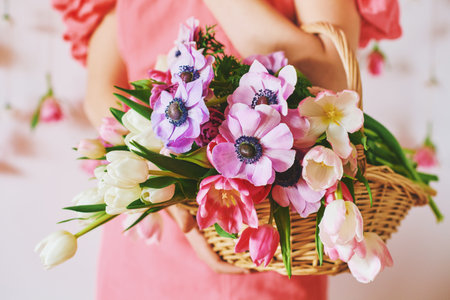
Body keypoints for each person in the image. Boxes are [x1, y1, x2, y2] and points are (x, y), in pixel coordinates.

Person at [52, 0, 402, 299]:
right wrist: (165, 192)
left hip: (252, 244)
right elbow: (102, 99)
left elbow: (331, 78)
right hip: (150, 239)